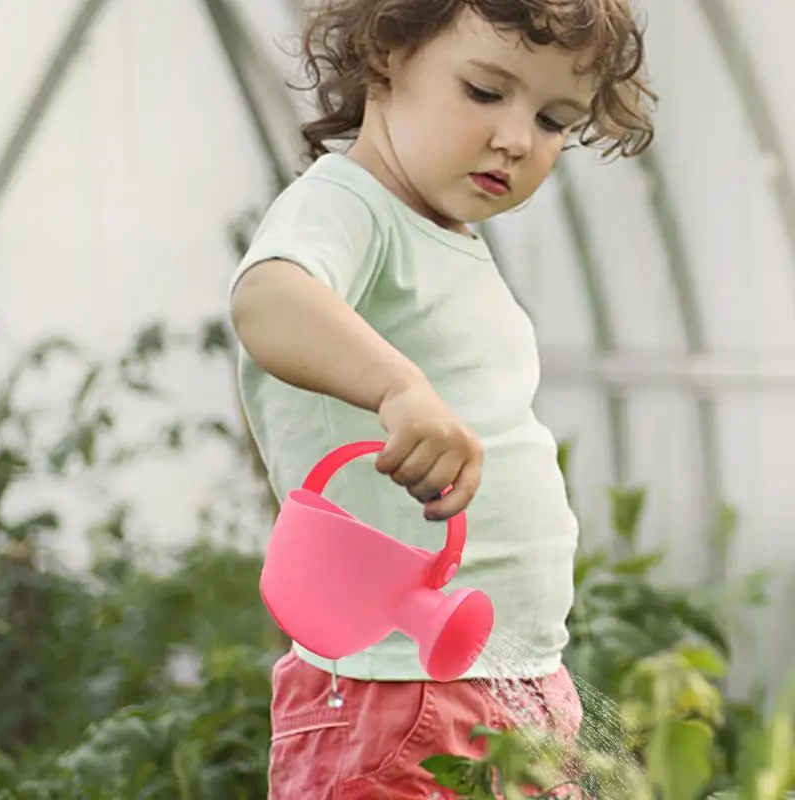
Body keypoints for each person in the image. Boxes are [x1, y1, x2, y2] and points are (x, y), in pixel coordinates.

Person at [229, 0, 655, 796]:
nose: (516, 139)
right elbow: (269, 299)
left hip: (506, 678)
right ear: (387, 53)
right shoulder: (349, 207)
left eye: (555, 120)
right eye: (486, 92)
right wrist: (400, 390)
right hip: (395, 687)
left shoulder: (447, 232)